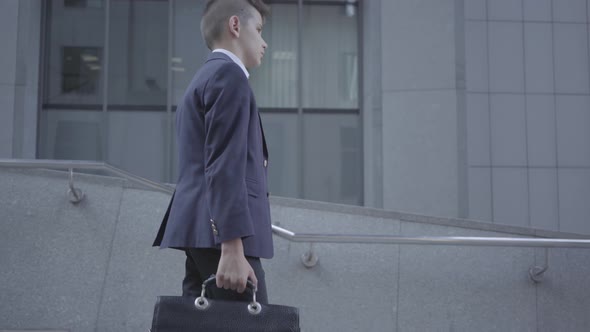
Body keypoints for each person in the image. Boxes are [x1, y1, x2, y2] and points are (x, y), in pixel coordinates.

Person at [153, 0, 272, 304]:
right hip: (221, 238)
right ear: (235, 26)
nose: (264, 42)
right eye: (258, 30)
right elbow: (223, 164)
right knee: (252, 323)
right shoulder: (229, 77)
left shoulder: (204, 77)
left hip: (202, 231)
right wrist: (232, 246)